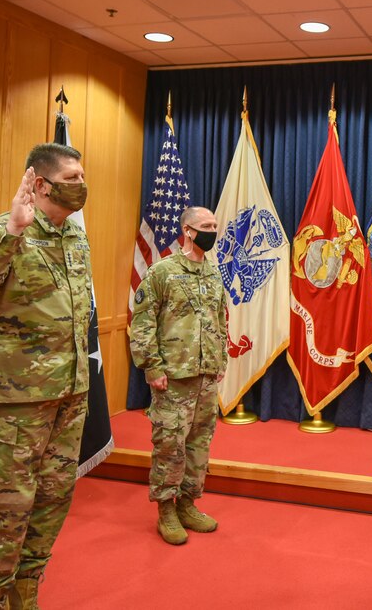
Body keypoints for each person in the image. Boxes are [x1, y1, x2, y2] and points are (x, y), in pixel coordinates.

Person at [0, 143, 92, 609]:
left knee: (52, 498)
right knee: (6, 506)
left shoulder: (75, 237)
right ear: (41, 183)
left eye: (82, 176)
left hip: (69, 394)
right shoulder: (3, 230)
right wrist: (12, 232)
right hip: (14, 403)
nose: (81, 185)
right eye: (71, 178)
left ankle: (25, 590)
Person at [130, 206, 227, 545]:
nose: (212, 230)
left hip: (206, 376)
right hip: (173, 377)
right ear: (187, 230)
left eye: (215, 225)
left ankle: (187, 503)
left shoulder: (213, 272)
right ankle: (166, 510)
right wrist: (152, 367)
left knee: (199, 444)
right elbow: (142, 323)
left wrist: (220, 361)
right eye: (206, 225)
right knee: (170, 444)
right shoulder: (163, 272)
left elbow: (219, 319)